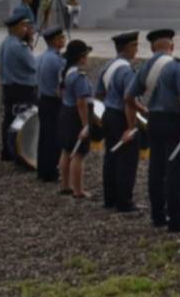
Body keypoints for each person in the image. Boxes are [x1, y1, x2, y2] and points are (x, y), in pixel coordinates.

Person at [126, 28, 180, 231]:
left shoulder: (146, 67)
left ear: (152, 48)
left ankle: (158, 216)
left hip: (154, 121)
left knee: (156, 169)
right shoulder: (177, 66)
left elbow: (128, 97)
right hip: (175, 121)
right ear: (172, 46)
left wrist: (143, 110)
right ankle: (176, 219)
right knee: (176, 171)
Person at [97, 32, 140, 212]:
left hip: (108, 113)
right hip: (122, 117)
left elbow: (99, 93)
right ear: (128, 47)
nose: (137, 49)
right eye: (135, 45)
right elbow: (129, 100)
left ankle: (110, 198)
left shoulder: (108, 66)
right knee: (127, 160)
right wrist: (131, 127)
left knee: (111, 156)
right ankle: (124, 201)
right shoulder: (127, 70)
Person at [0, 6, 38, 164]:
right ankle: (20, 153)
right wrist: (29, 44)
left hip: (9, 87)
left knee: (9, 120)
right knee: (23, 122)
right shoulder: (19, 46)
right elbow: (33, 65)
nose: (26, 29)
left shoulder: (5, 43)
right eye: (24, 26)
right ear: (16, 27)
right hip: (22, 89)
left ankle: (7, 151)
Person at [58, 40, 94, 199]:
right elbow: (81, 102)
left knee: (66, 150)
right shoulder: (79, 76)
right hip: (76, 116)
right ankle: (78, 190)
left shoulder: (65, 71)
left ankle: (65, 185)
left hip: (66, 111)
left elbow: (60, 92)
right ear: (81, 57)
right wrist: (86, 125)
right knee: (79, 153)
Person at [36, 26, 66, 182]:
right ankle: (51, 171)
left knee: (44, 137)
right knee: (54, 138)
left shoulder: (42, 57)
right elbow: (62, 84)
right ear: (55, 40)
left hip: (43, 99)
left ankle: (42, 169)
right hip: (53, 102)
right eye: (61, 38)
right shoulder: (57, 60)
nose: (64, 40)